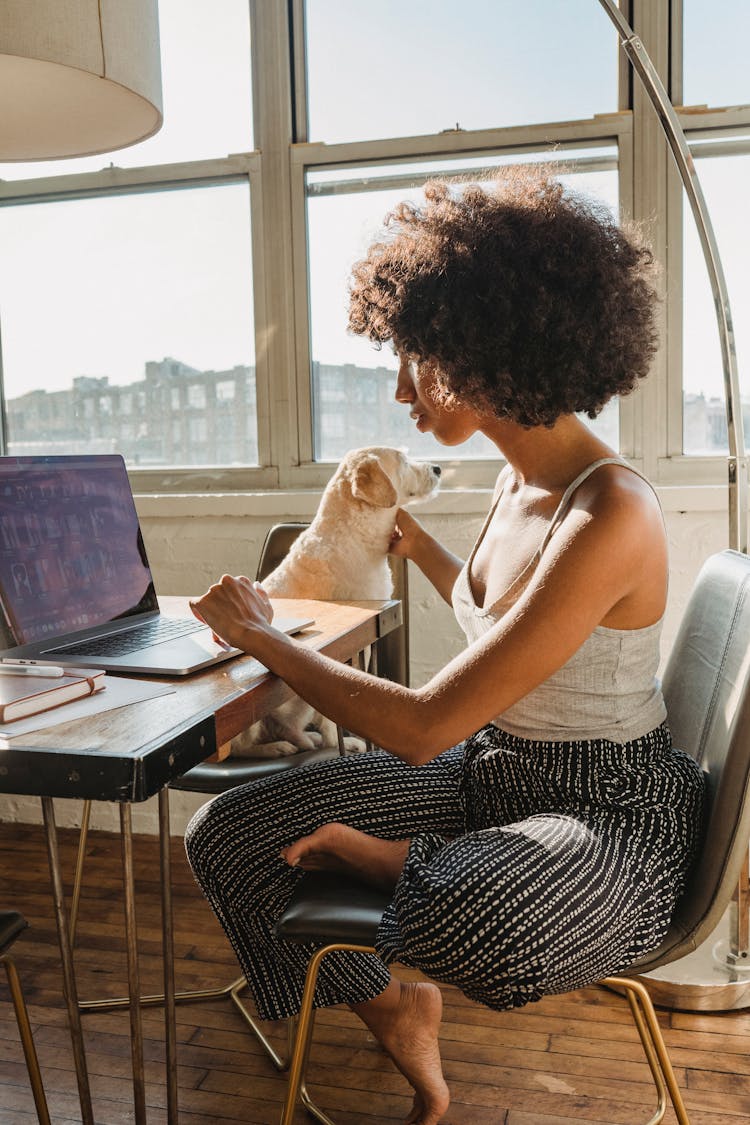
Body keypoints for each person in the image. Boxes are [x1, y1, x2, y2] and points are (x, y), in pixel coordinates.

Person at [185, 168, 705, 1125]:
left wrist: (261, 635)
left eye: (415, 359)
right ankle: (397, 1007)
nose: (400, 389)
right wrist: (420, 546)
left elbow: (424, 726)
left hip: (606, 807)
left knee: (493, 913)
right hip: (492, 776)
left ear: (487, 349)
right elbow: (499, 615)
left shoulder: (612, 509)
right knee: (226, 836)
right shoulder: (518, 483)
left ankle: (393, 861)